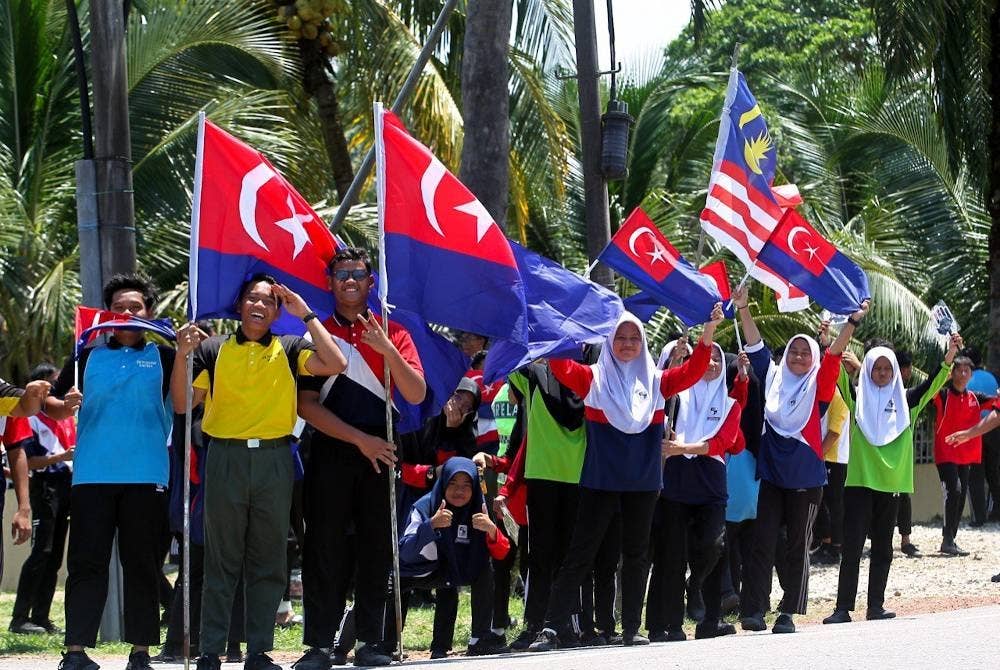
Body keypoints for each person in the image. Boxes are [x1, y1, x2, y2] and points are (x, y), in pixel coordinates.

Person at [172, 273, 347, 670]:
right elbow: (184, 405)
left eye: (269, 301)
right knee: (221, 557)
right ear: (239, 305)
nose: (259, 305)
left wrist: (304, 314)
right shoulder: (213, 349)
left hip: (274, 458)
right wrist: (183, 355)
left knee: (269, 558)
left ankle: (258, 651)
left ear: (276, 310)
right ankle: (211, 650)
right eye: (252, 297)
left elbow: (335, 362)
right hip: (225, 457)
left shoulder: (289, 347)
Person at [528, 305, 723, 651]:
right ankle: (552, 627)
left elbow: (693, 372)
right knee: (580, 555)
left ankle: (632, 628)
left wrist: (708, 330)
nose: (628, 343)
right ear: (609, 340)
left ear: (644, 342)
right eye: (620, 337)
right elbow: (560, 367)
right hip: (600, 480)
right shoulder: (593, 378)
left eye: (635, 337)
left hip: (643, 482)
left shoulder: (658, 382)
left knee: (636, 556)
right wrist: (561, 327)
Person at [294, 247, 425, 670]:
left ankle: (372, 641)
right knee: (324, 549)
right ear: (330, 283)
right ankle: (318, 646)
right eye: (341, 274)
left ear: (372, 282)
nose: (350, 280)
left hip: (384, 451)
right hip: (332, 451)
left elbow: (416, 393)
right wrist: (357, 440)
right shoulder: (318, 333)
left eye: (359, 273)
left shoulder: (394, 332)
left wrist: (387, 349)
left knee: (377, 550)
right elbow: (307, 406)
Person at [48, 273, 170, 670]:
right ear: (107, 315)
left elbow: (189, 400)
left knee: (143, 565)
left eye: (135, 307)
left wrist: (190, 351)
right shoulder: (86, 356)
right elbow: (52, 403)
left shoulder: (167, 357)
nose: (127, 314)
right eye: (118, 308)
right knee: (86, 563)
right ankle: (76, 651)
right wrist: (65, 404)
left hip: (147, 476)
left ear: (149, 312)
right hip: (91, 477)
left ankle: (140, 652)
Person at [733, 285, 867, 635]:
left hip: (807, 481)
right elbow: (756, 347)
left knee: (797, 546)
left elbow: (834, 356)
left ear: (813, 359)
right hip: (773, 478)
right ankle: (754, 610)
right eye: (793, 352)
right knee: (762, 542)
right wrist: (744, 307)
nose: (798, 358)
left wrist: (851, 323)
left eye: (805, 354)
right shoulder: (774, 380)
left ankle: (788, 612)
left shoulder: (819, 387)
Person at [823, 337, 957, 625]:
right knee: (852, 548)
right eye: (877, 368)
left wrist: (949, 358)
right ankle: (842, 608)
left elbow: (933, 383)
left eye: (887, 368)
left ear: (895, 371)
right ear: (868, 369)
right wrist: (829, 344)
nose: (882, 373)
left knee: (883, 548)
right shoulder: (856, 398)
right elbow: (835, 373)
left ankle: (875, 606)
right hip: (859, 482)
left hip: (891, 485)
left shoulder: (907, 402)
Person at [646, 345, 749, 642]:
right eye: (708, 358)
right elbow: (657, 402)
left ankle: (707, 611)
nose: (713, 363)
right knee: (670, 556)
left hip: (711, 485)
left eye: (718, 359)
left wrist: (684, 447)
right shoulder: (676, 397)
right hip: (676, 482)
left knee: (713, 547)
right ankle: (668, 624)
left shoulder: (730, 404)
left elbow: (722, 442)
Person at [383, 458, 510, 657]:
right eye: (453, 484)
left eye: (466, 486)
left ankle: (475, 640)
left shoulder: (480, 508)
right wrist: (431, 526)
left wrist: (492, 530)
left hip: (455, 570)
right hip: (420, 569)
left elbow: (502, 552)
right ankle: (386, 644)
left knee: (485, 570)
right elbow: (404, 552)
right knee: (393, 580)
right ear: (443, 483)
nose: (459, 491)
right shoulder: (424, 507)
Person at [10, 363, 75, 635]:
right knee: (41, 552)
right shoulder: (29, 418)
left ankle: (41, 616)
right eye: (54, 386)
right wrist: (59, 458)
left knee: (55, 556)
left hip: (65, 486)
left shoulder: (65, 419)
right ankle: (19, 618)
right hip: (44, 487)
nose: (58, 393)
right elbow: (27, 462)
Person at [929, 346, 988, 556]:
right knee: (952, 490)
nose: (963, 374)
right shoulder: (943, 395)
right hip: (946, 453)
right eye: (959, 370)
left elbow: (996, 404)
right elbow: (931, 385)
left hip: (966, 455)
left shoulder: (975, 397)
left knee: (961, 495)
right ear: (952, 373)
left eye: (967, 371)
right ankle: (947, 538)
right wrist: (949, 355)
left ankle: (951, 539)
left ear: (971, 374)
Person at [894, 351, 921, 557]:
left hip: (902, 453)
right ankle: (903, 540)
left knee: (903, 497)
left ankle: (905, 539)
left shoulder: (909, 394)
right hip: (895, 452)